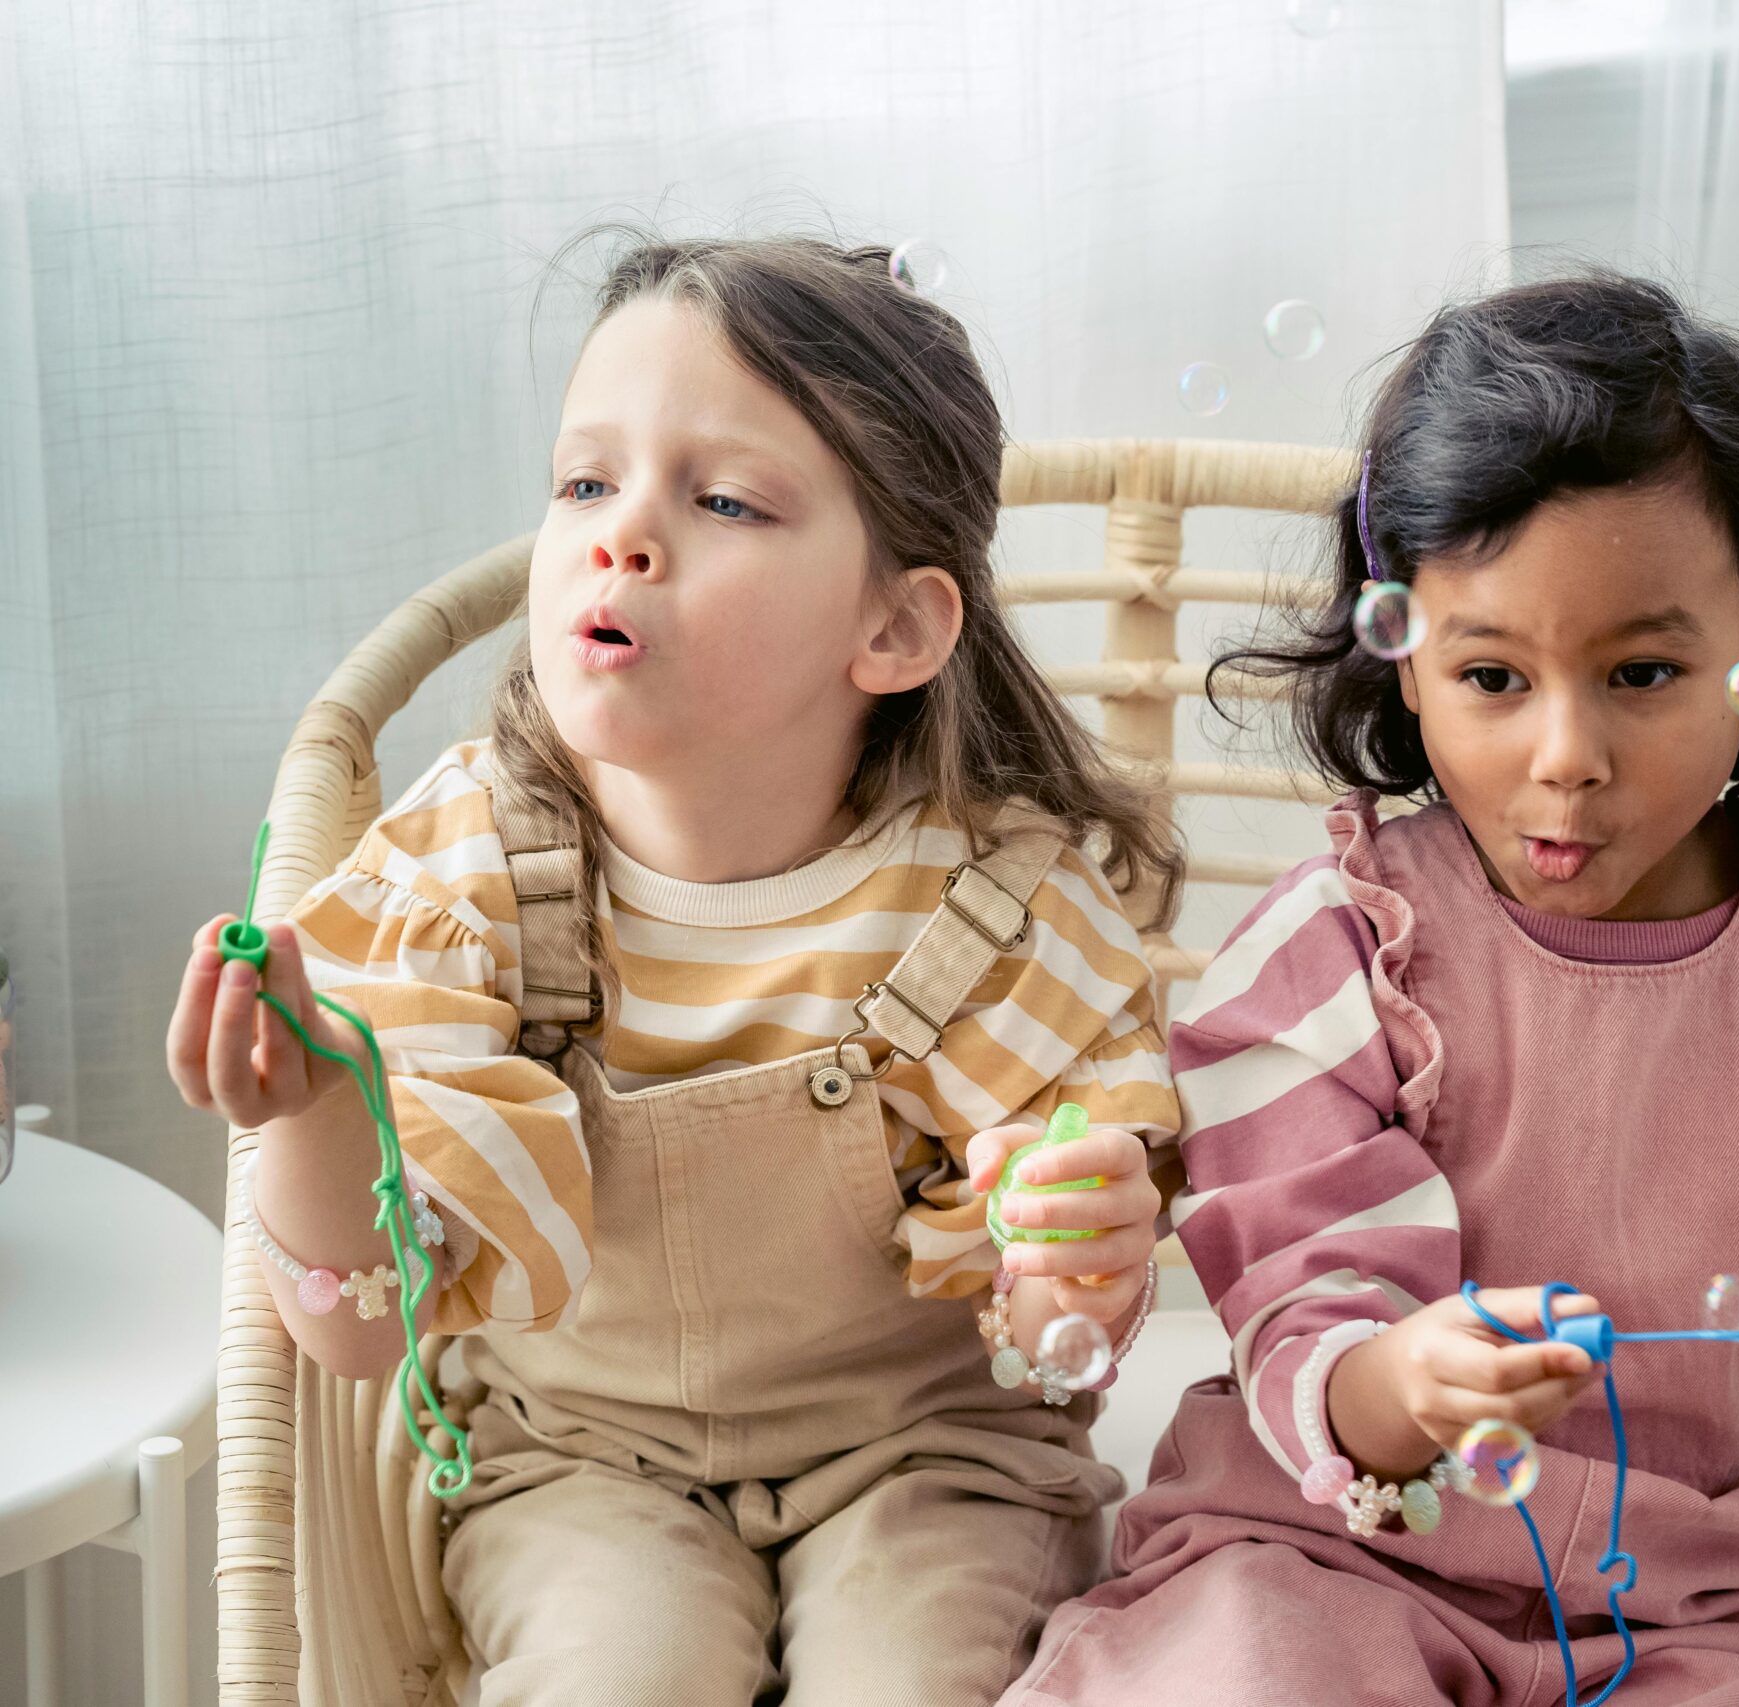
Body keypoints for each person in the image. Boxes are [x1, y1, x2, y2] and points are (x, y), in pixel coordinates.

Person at [1005, 272, 1739, 1707]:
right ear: (1408, 662)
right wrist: (1400, 1389)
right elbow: (1304, 1317)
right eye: (1494, 676)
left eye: (1640, 671)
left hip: (1676, 1612)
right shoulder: (1340, 949)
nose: (1568, 755)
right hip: (1335, 1556)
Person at [168, 231, 1181, 1706]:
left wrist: (1072, 1265)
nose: (620, 536)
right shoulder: (457, 880)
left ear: (895, 626)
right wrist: (315, 1111)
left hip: (932, 1457)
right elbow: (358, 1327)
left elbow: (1057, 1360)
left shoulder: (1000, 916)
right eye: (587, 481)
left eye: (721, 500)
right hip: (576, 1457)